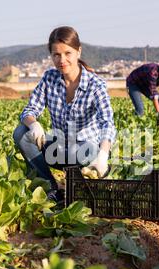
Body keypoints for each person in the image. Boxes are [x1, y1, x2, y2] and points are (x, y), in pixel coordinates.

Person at [13, 26, 116, 204]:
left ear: (78, 51)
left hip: (85, 150)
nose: (62, 60)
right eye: (56, 55)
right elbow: (29, 110)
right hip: (60, 148)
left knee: (84, 152)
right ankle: (51, 187)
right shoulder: (49, 78)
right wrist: (34, 124)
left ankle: (81, 181)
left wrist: (103, 155)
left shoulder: (95, 85)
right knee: (21, 133)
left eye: (68, 53)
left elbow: (107, 122)